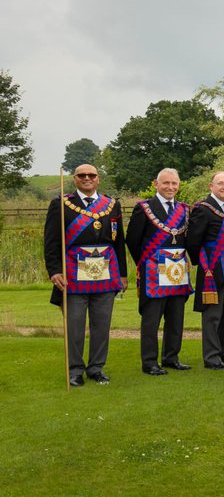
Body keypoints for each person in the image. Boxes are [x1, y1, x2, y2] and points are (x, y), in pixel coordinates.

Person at [43, 163, 126, 386]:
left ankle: (97, 368)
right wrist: (54, 271)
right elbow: (51, 241)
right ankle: (75, 370)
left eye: (92, 175)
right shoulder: (61, 204)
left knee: (102, 324)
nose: (87, 178)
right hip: (73, 274)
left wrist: (123, 275)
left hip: (106, 273)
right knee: (75, 324)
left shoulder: (112, 205)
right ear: (75, 178)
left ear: (98, 179)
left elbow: (119, 242)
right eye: (82, 175)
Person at [126, 168, 192, 376]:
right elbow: (133, 241)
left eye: (174, 183)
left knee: (175, 318)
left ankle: (171, 357)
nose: (170, 187)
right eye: (166, 183)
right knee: (151, 320)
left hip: (177, 271)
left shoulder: (184, 209)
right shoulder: (144, 208)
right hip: (153, 273)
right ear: (156, 184)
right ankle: (150, 362)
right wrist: (146, 264)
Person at [185, 171, 224, 370]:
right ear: (211, 186)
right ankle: (211, 357)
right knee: (213, 316)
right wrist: (202, 263)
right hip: (213, 269)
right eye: (220, 183)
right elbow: (193, 240)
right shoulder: (203, 209)